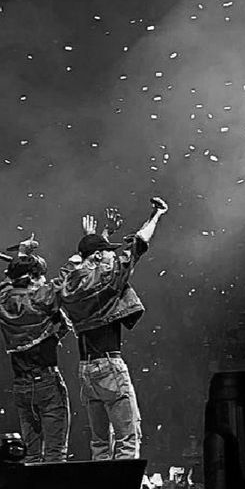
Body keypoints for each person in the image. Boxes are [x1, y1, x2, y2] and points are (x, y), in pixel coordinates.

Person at [60, 198, 168, 461]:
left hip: (86, 370)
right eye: (107, 250)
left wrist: (97, 237)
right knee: (128, 438)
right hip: (109, 367)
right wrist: (156, 215)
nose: (111, 253)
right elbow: (138, 244)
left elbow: (82, 267)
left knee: (99, 443)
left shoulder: (67, 285)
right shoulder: (108, 279)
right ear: (98, 256)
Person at [0, 240, 72, 463]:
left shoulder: (3, 300)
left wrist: (21, 255)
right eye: (40, 276)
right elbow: (60, 283)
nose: (44, 280)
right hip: (46, 381)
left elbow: (6, 282)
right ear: (31, 279)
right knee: (55, 454)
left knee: (31, 456)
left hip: (21, 386)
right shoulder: (39, 300)